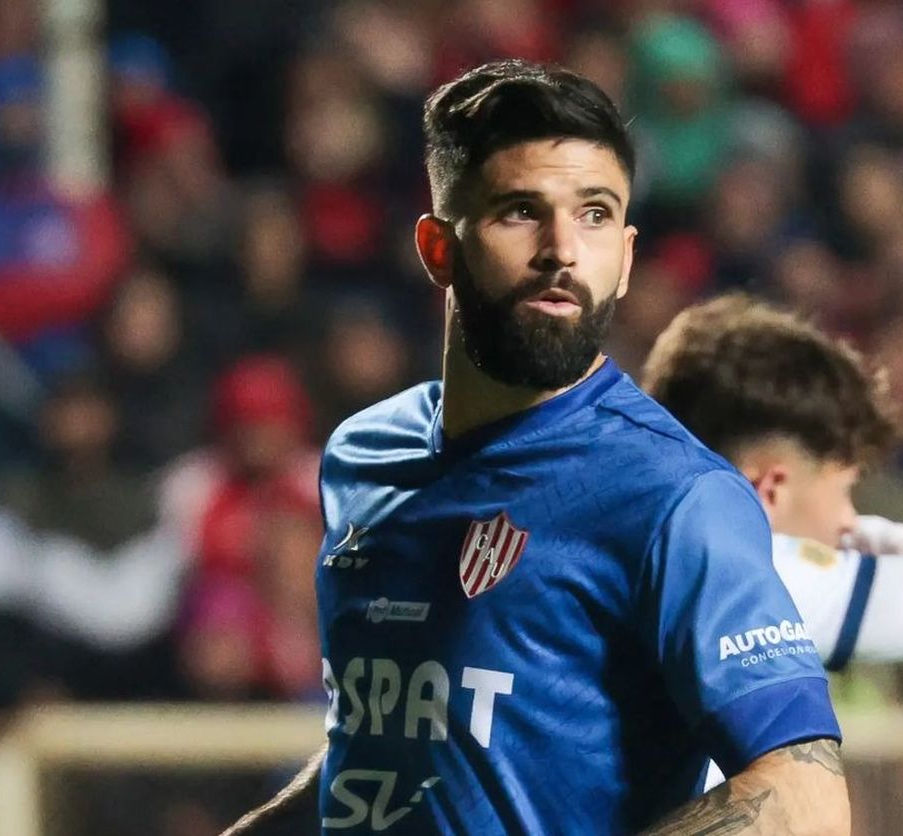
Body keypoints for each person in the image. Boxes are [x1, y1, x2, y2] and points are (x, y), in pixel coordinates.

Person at [224, 60, 849, 835]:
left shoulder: (674, 496)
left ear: (624, 257)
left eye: (593, 215)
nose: (562, 248)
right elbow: (391, 745)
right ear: (437, 248)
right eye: (521, 211)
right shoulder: (363, 453)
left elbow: (806, 793)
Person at [641, 293, 903, 681]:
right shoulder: (753, 582)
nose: (847, 517)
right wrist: (866, 538)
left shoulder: (626, 534)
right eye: (842, 490)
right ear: (770, 489)